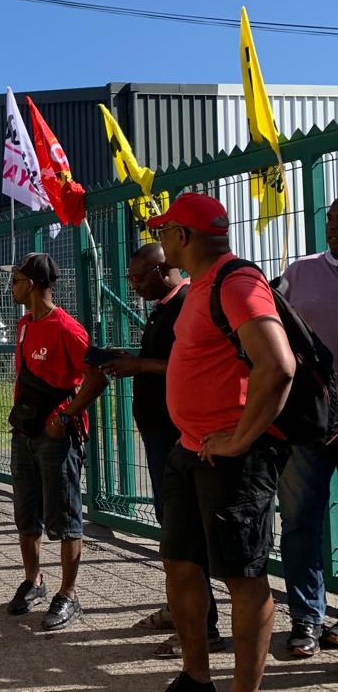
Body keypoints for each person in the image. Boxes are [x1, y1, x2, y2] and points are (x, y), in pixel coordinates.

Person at [149, 193, 295, 692]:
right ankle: (195, 678)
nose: (160, 239)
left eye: (164, 230)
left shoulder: (237, 282)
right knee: (181, 563)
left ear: (183, 237)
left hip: (233, 460)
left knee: (243, 578)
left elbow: (278, 366)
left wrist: (240, 439)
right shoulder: (200, 286)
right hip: (190, 450)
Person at [98, 244, 226, 657]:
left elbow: (187, 364)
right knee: (173, 526)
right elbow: (163, 358)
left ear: (164, 270)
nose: (132, 284)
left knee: (185, 530)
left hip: (178, 434)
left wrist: (139, 366)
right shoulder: (165, 305)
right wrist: (133, 360)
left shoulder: (188, 303)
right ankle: (182, 608)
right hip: (160, 430)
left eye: (138, 277)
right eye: (130, 278)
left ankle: (203, 626)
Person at [1, 253, 107, 631]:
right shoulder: (25, 324)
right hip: (25, 432)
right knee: (27, 513)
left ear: (31, 284)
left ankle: (70, 593)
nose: (10, 286)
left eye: (14, 280)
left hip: (57, 436)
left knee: (65, 516)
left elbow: (96, 378)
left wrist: (65, 416)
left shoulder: (67, 328)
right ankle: (34, 581)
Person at [275, 198, 338, 658]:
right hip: (308, 422)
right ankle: (307, 618)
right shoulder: (300, 272)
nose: (335, 228)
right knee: (299, 521)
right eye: (333, 220)